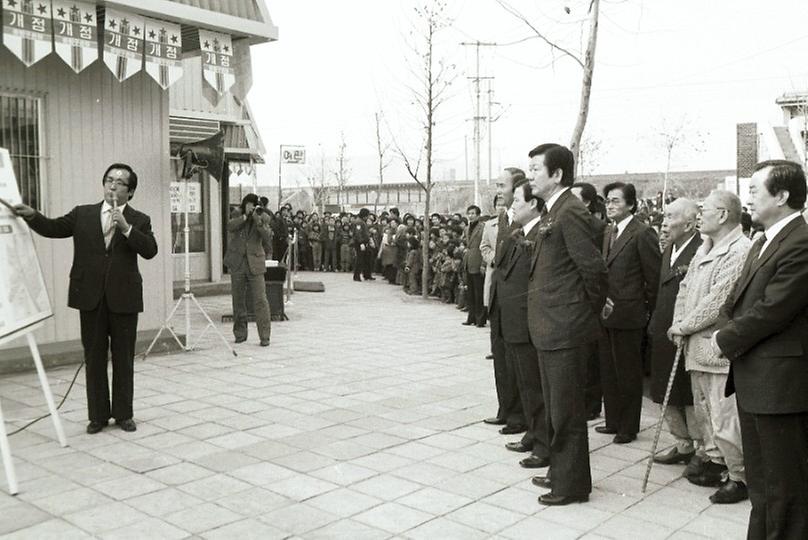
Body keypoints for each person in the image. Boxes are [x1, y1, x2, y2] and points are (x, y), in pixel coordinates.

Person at [14, 163, 158, 434]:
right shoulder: (82, 214)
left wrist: (126, 228)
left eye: (119, 182)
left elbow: (150, 250)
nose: (112, 186)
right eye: (108, 180)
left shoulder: (139, 219)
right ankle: (98, 416)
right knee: (93, 357)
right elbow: (53, 228)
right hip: (89, 296)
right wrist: (33, 216)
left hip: (124, 297)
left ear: (131, 191)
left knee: (124, 357)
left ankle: (124, 414)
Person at [713, 160, 808, 539]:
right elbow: (736, 300)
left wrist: (723, 339)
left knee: (785, 486)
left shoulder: (800, 242)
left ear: (782, 196)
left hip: (781, 388)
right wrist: (725, 325)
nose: (747, 198)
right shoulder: (765, 239)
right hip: (757, 381)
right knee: (764, 484)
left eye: (754, 190)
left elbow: (773, 310)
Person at [526, 144, 608, 506]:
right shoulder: (552, 210)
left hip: (565, 327)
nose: (530, 176)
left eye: (535, 169)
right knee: (557, 408)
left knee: (566, 411)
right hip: (550, 326)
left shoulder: (569, 211)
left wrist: (582, 313)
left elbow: (593, 269)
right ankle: (563, 472)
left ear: (557, 174)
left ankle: (572, 485)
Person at [669, 190, 750, 504]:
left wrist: (684, 325)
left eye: (705, 209)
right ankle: (717, 464)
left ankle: (740, 476)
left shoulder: (739, 250)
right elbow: (685, 289)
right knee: (705, 413)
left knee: (724, 416)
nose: (699, 214)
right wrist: (679, 323)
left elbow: (719, 301)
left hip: (717, 349)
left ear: (724, 215)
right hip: (694, 347)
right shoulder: (705, 248)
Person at [598, 182, 661, 444]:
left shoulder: (642, 233)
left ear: (631, 205)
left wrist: (646, 313)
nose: (609, 205)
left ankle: (628, 426)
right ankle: (613, 420)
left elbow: (653, 278)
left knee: (627, 372)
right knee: (609, 370)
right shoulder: (609, 231)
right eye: (607, 201)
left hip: (629, 315)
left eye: (615, 201)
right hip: (605, 314)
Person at [647, 199, 703, 469]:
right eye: (664, 217)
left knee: (687, 393)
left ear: (690, 223)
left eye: (671, 217)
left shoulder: (701, 249)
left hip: (685, 331)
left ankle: (700, 448)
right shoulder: (668, 248)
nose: (664, 223)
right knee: (664, 391)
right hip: (662, 330)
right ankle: (682, 443)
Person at [500, 183, 550, 469]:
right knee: (526, 385)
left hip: (529, 325)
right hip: (514, 324)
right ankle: (533, 433)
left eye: (517, 200)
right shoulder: (520, 234)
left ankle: (543, 444)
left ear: (533, 204)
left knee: (535, 387)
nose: (513, 205)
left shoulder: (541, 235)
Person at [481, 169, 527, 436]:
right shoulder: (501, 217)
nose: (498, 190)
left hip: (515, 303)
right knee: (500, 360)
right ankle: (505, 410)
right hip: (498, 299)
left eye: (502, 184)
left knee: (516, 363)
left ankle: (519, 416)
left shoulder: (525, 220)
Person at [571, 182, 607, 421]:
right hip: (577, 301)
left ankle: (592, 404)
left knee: (592, 357)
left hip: (594, 300)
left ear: (585, 202)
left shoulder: (598, 228)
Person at [223, 194, 272, 347]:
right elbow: (230, 226)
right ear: (244, 205)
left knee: (260, 300)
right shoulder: (237, 214)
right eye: (249, 205)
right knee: (238, 300)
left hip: (255, 263)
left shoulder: (263, 217)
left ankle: (264, 336)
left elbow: (267, 237)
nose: (252, 207)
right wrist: (245, 217)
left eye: (254, 205)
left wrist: (257, 220)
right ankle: (240, 333)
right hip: (238, 262)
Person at [462, 205, 486, 327]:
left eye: (473, 213)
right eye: (469, 213)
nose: (470, 216)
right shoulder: (466, 228)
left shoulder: (483, 228)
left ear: (478, 215)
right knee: (470, 292)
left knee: (479, 292)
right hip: (469, 261)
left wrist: (483, 264)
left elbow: (485, 246)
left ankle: (480, 319)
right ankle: (471, 317)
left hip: (478, 261)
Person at [353, 208, 374, 281]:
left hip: (365, 242)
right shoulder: (358, 222)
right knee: (360, 259)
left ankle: (367, 275)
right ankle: (356, 276)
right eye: (367, 215)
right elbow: (358, 233)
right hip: (360, 243)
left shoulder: (362, 221)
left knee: (367, 258)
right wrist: (361, 243)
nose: (368, 217)